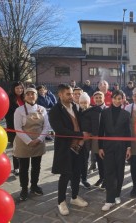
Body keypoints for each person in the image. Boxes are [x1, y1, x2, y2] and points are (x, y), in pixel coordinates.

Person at [48, 84, 88, 216]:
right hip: (65, 148)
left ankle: (75, 197)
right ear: (60, 95)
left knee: (77, 173)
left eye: (72, 94)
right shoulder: (55, 111)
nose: (71, 96)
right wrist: (80, 135)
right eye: (68, 94)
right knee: (65, 175)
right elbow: (60, 130)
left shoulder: (76, 107)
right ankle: (61, 201)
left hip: (78, 147)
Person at [13, 88, 50, 201]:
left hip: (39, 142)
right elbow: (18, 128)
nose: (30, 96)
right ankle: (24, 189)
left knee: (36, 166)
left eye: (33, 94)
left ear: (36, 96)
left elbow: (46, 126)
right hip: (24, 143)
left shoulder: (42, 109)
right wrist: (29, 141)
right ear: (24, 97)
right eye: (28, 94)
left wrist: (39, 139)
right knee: (24, 167)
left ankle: (34, 186)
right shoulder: (19, 110)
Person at [98, 90, 132, 211]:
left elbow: (128, 132)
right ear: (111, 99)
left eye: (120, 98)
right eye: (115, 98)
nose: (117, 101)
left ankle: (117, 194)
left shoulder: (126, 114)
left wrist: (129, 147)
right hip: (107, 147)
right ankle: (109, 199)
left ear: (123, 99)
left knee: (119, 171)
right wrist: (100, 147)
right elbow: (100, 130)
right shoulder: (105, 112)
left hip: (121, 147)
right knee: (109, 172)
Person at [85, 91, 107, 189]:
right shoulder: (91, 110)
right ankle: (101, 177)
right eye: (96, 97)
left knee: (105, 160)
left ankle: (106, 179)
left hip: (106, 138)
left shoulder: (108, 110)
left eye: (100, 97)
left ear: (104, 98)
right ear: (93, 99)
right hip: (95, 138)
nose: (98, 99)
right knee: (98, 159)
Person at [5, 81, 25, 176]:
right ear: (13, 89)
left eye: (21, 88)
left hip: (25, 127)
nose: (19, 90)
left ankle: (23, 166)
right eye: (17, 88)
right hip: (13, 126)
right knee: (16, 147)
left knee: (24, 146)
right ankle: (16, 167)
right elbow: (8, 115)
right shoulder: (9, 99)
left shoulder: (25, 98)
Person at [78, 92, 92, 189]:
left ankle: (84, 178)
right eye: (81, 102)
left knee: (85, 160)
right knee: (77, 160)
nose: (83, 104)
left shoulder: (92, 111)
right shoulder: (77, 111)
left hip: (87, 140)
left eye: (85, 102)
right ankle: (76, 177)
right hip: (77, 139)